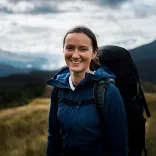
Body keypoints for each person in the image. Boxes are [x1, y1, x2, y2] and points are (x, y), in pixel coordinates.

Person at [46, 26, 128, 156]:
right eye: (70, 48)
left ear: (94, 52)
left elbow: (118, 147)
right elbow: (53, 138)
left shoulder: (108, 92)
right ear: (63, 50)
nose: (75, 55)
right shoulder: (59, 88)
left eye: (83, 49)